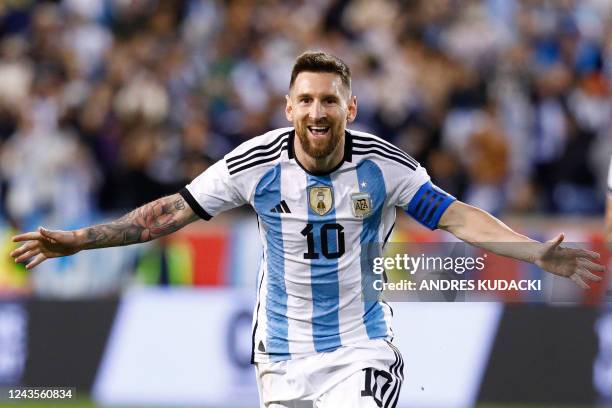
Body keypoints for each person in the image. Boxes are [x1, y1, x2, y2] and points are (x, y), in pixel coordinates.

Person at [10, 52, 604, 408]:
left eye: (329, 100)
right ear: (288, 108)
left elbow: (457, 217)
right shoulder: (254, 163)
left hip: (360, 346)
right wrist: (77, 240)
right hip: (280, 356)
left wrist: (531, 252)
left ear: (350, 108)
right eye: (306, 101)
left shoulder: (384, 165)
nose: (317, 112)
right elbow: (168, 213)